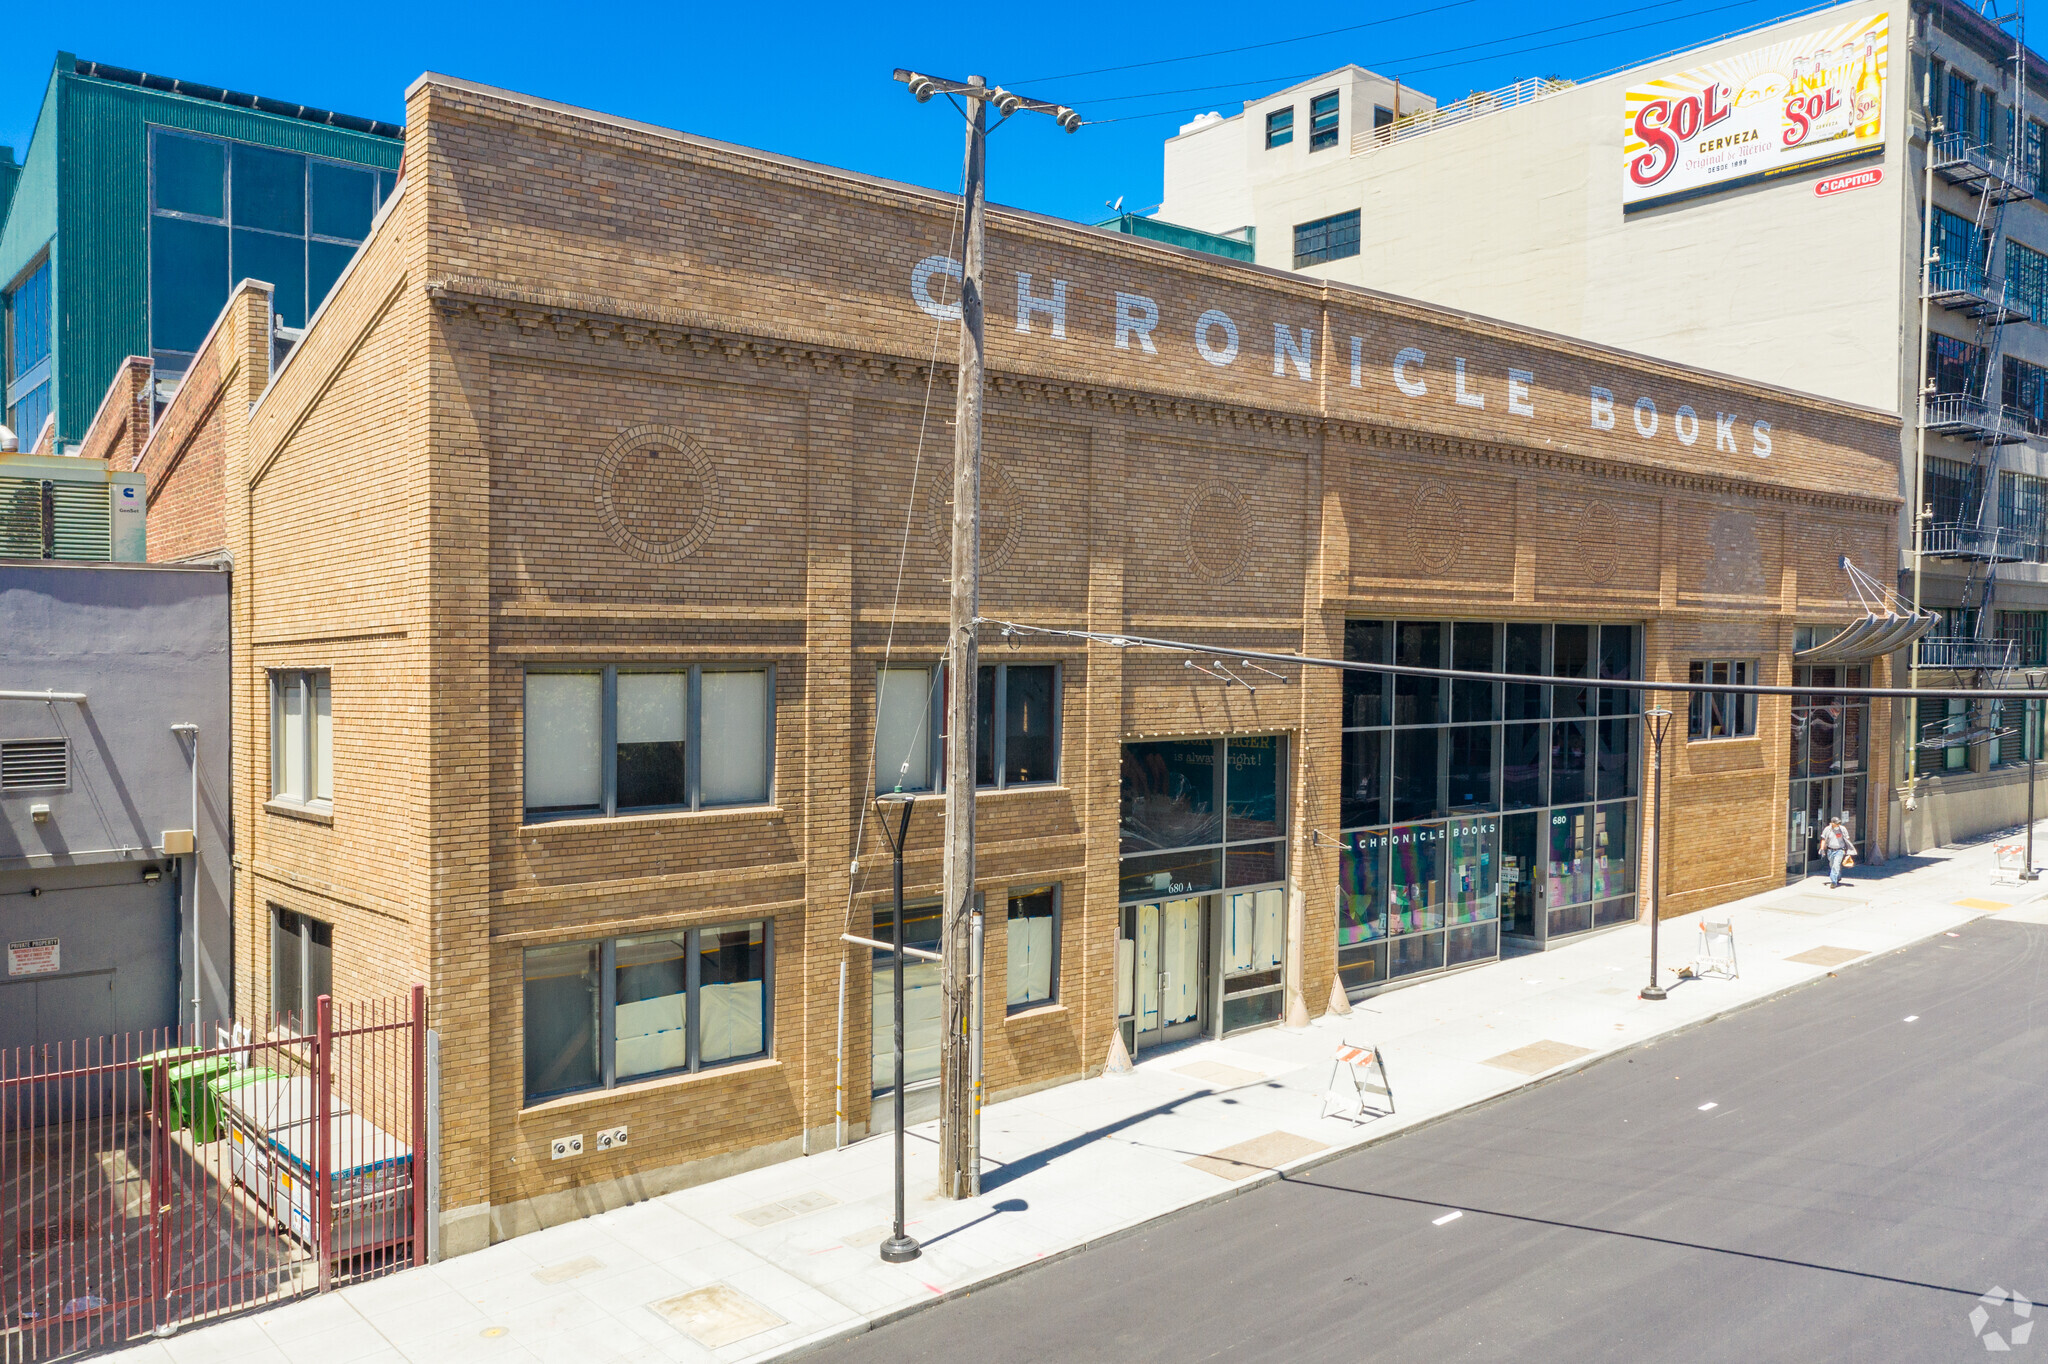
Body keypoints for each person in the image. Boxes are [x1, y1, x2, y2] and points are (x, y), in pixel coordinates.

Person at [1820, 815, 1858, 888]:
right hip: (1830, 850)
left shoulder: (1842, 829)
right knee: (1832, 865)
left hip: (1840, 850)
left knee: (1836, 865)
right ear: (1832, 823)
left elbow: (1847, 840)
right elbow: (1823, 839)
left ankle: (1833, 881)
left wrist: (1848, 850)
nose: (1838, 825)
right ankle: (1838, 876)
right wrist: (1822, 848)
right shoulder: (1827, 829)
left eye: (1839, 823)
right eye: (1836, 823)